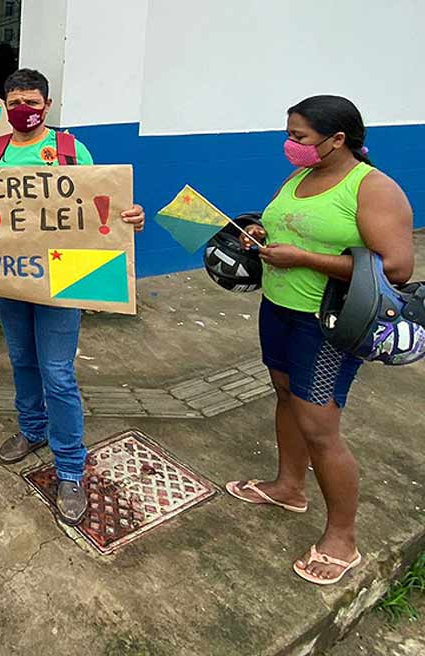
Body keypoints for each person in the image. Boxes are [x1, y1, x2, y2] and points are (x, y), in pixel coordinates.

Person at [0, 69, 145, 525]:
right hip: (9, 277)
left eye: (30, 102)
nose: (22, 110)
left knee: (58, 372)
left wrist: (128, 216)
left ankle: (70, 467)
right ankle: (32, 430)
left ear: (47, 105)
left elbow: (98, 203)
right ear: (5, 107)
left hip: (63, 276)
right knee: (21, 360)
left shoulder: (69, 150)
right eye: (14, 103)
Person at [224, 95, 413, 586]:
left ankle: (342, 539)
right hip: (278, 309)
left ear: (337, 140)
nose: (291, 145)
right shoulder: (300, 177)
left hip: (326, 323)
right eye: (289, 134)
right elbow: (287, 225)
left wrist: (306, 260)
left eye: (300, 137)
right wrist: (261, 235)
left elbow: (396, 266)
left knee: (320, 428)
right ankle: (289, 487)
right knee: (284, 395)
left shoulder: (372, 189)